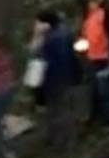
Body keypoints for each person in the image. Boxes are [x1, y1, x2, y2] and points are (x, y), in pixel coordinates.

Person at [28, 10, 80, 150]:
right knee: (63, 109)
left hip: (53, 80)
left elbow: (35, 55)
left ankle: (61, 141)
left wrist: (37, 37)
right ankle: (64, 138)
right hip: (65, 77)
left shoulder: (49, 40)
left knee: (58, 111)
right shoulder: (63, 32)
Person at [79, 0, 109, 123]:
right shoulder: (89, 17)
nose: (90, 3)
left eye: (92, 0)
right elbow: (86, 35)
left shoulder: (104, 13)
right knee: (93, 88)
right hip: (92, 56)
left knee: (104, 89)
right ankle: (95, 115)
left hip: (104, 56)